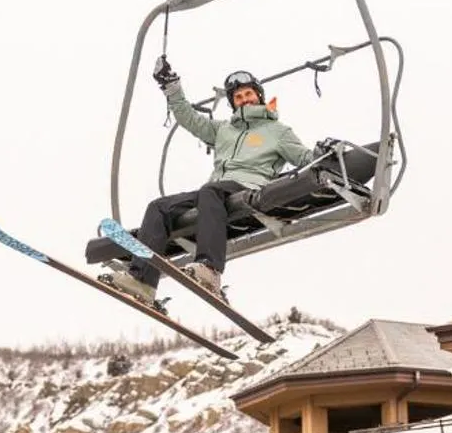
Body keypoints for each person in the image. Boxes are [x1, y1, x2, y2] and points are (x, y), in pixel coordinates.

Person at [111, 61, 311, 303]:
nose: (244, 99)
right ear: (232, 102)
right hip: (215, 191)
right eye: (238, 96)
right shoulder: (224, 130)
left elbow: (305, 158)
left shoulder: (277, 131)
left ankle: (210, 269)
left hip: (248, 188)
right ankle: (142, 281)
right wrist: (171, 87)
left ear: (258, 96)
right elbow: (189, 119)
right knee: (159, 207)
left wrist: (326, 153)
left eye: (248, 93)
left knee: (210, 191)